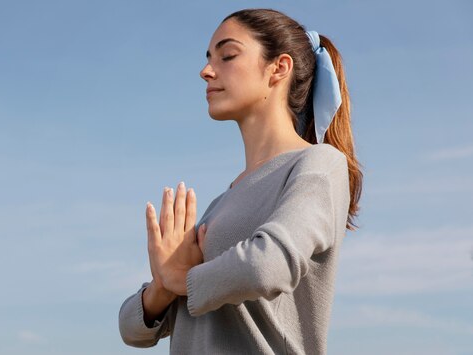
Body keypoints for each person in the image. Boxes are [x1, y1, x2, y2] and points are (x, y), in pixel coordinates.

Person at [118, 8, 362, 355]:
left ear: (278, 68)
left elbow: (268, 265)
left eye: (227, 55)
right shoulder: (221, 204)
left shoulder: (318, 164)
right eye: (208, 58)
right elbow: (131, 328)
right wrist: (162, 287)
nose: (206, 71)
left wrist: (183, 280)